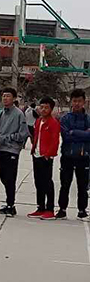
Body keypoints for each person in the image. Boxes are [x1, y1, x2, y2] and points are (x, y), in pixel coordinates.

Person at [53, 89, 90, 221]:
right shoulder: (65, 118)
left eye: (79, 101)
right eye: (74, 101)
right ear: (71, 102)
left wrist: (74, 132)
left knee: (82, 186)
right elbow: (66, 136)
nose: (77, 104)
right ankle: (62, 209)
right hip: (67, 156)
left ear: (84, 102)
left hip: (84, 156)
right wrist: (83, 133)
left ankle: (82, 210)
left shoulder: (88, 119)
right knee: (65, 184)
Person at [0, 87, 29, 216]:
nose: (5, 98)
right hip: (1, 149)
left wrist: (7, 138)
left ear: (14, 98)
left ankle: (11, 205)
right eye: (4, 96)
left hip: (12, 150)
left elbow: (23, 134)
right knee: (3, 177)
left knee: (10, 178)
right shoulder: (0, 113)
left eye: (8, 96)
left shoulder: (19, 114)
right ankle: (8, 202)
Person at [27, 96, 60, 219]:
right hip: (36, 154)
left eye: (46, 107)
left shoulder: (53, 123)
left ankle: (49, 209)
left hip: (46, 156)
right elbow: (36, 136)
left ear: (51, 109)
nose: (43, 110)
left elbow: (55, 141)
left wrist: (48, 154)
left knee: (47, 182)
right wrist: (33, 149)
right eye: (41, 107)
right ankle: (40, 207)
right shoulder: (38, 121)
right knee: (38, 182)